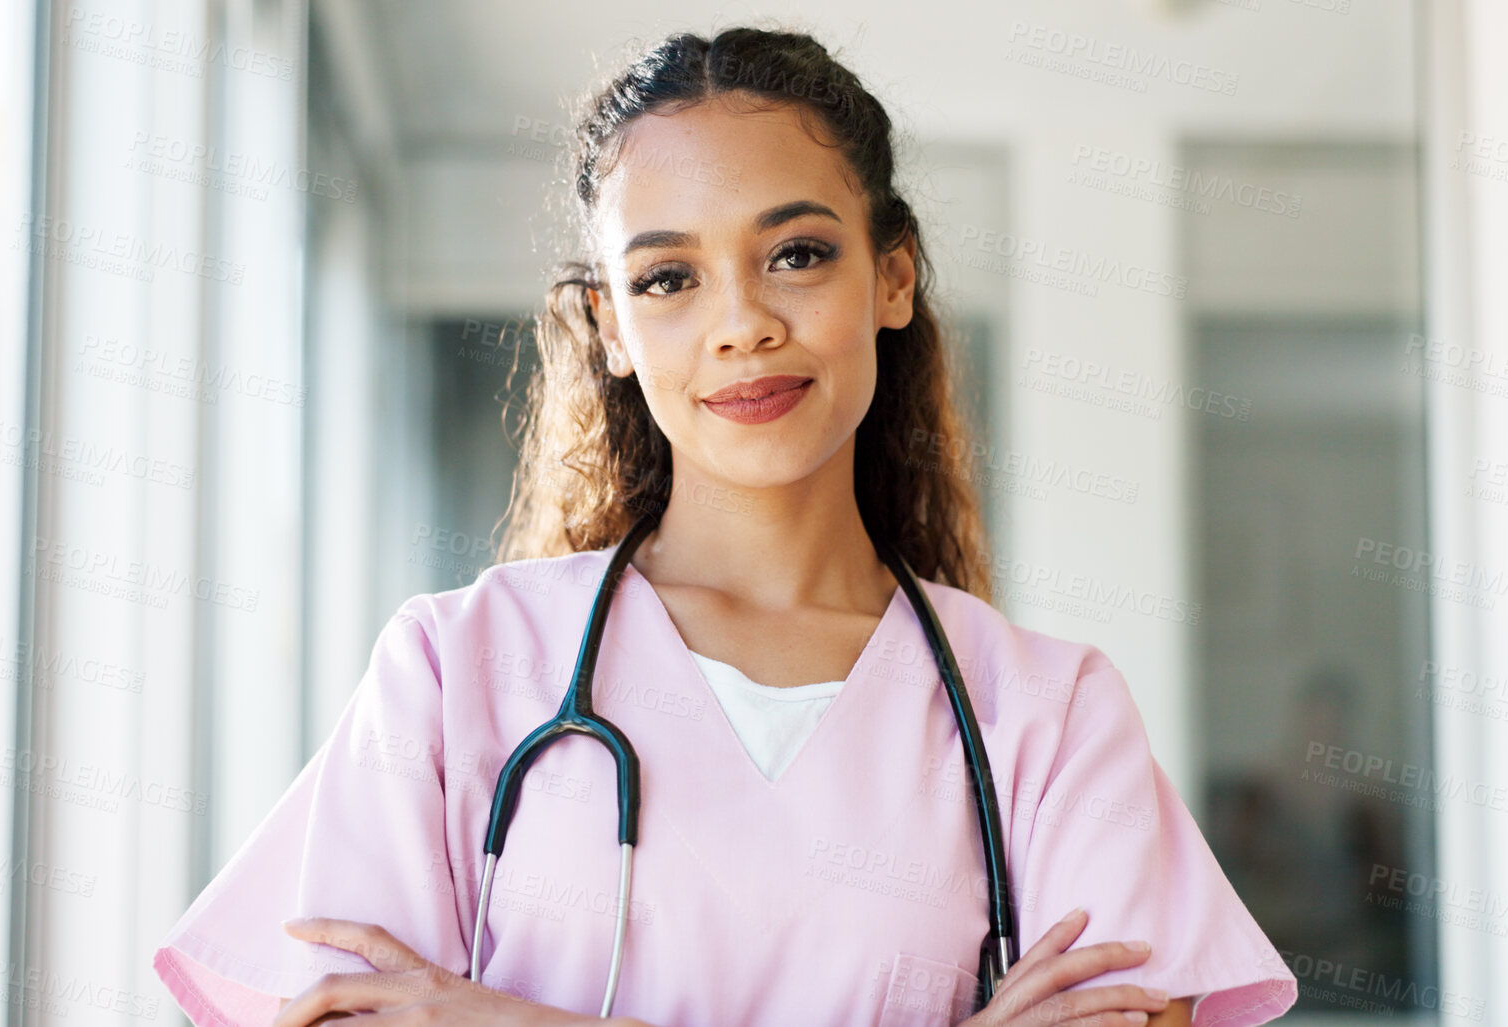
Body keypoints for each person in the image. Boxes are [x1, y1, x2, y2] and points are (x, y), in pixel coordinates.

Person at [152, 25, 1298, 1027]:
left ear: (891, 277)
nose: (743, 324)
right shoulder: (455, 673)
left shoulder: (1047, 720)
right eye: (667, 279)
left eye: (796, 254)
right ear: (607, 326)